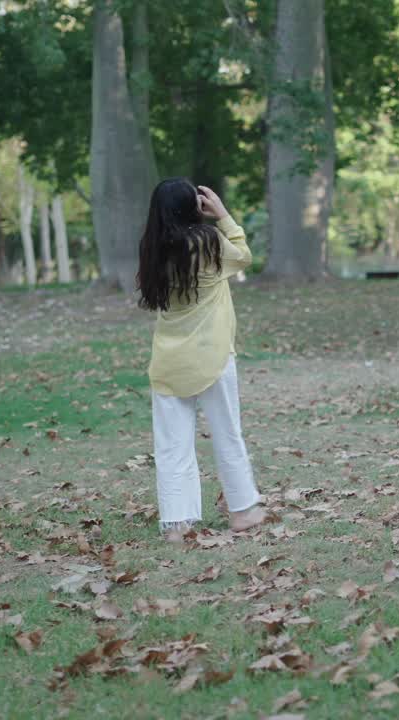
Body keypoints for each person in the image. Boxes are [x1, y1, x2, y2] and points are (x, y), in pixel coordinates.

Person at [136, 178, 266, 543]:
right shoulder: (207, 242)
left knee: (171, 445)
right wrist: (223, 214)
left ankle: (177, 524)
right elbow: (243, 257)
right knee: (227, 435)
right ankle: (243, 511)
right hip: (212, 358)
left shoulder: (152, 248)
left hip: (168, 363)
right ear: (193, 208)